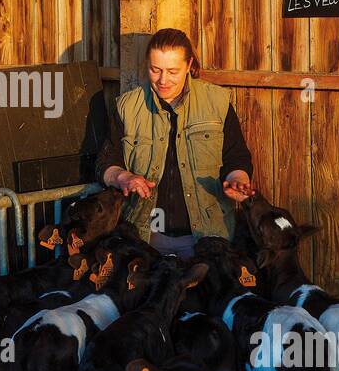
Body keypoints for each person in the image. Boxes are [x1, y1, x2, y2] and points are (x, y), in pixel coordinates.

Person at [95, 28, 256, 259]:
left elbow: (236, 157)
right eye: (155, 70)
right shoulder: (127, 107)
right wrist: (123, 177)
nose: (163, 80)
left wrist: (237, 180)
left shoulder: (217, 102)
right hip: (144, 240)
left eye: (172, 71)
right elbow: (106, 161)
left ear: (189, 64)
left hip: (207, 238)